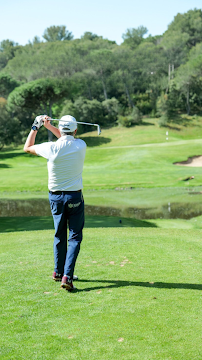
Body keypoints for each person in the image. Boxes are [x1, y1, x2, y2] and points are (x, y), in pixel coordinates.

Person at [24, 114, 87, 291]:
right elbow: (66, 138)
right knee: (74, 237)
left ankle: (58, 272)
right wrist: (51, 126)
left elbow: (27, 147)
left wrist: (37, 126)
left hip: (55, 198)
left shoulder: (50, 148)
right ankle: (67, 276)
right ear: (75, 130)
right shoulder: (81, 145)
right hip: (74, 197)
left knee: (59, 235)